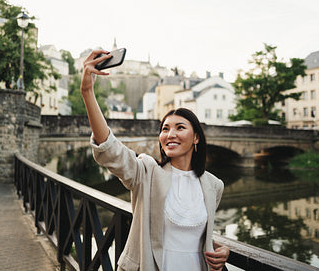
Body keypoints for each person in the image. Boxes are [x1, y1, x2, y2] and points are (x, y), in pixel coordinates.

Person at [80, 49, 230, 271]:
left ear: (196, 137)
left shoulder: (213, 185)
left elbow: (194, 233)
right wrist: (87, 92)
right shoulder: (147, 172)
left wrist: (222, 248)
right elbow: (111, 150)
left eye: (180, 128)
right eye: (165, 129)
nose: (170, 134)